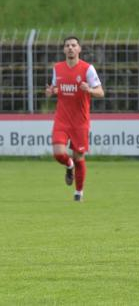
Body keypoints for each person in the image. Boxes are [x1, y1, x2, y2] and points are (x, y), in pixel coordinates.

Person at [45, 36, 105, 202]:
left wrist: (89, 90)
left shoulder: (87, 69)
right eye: (67, 45)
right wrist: (52, 91)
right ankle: (68, 164)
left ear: (79, 49)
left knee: (79, 157)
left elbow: (100, 92)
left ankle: (79, 192)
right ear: (64, 50)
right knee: (59, 153)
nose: (70, 48)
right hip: (62, 119)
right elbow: (56, 87)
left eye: (73, 45)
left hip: (80, 121)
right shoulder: (57, 68)